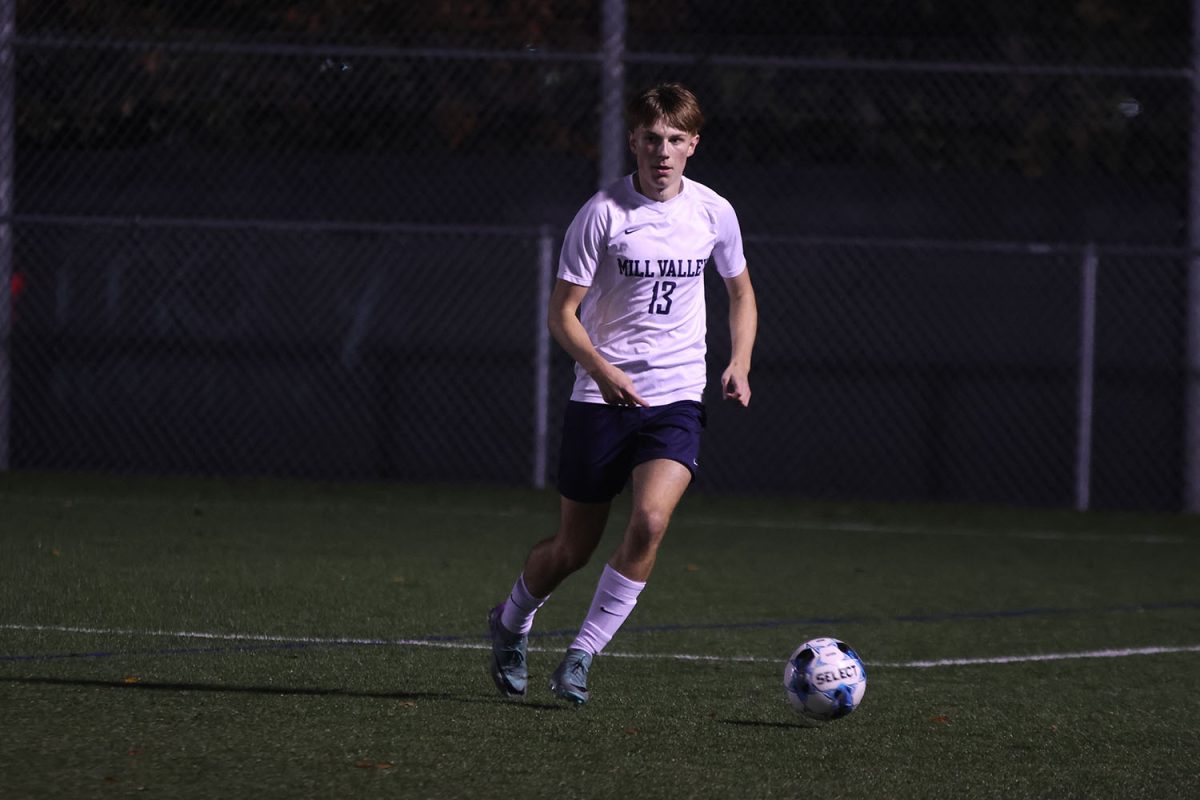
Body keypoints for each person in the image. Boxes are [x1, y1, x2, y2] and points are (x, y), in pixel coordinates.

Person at [488, 82, 757, 704]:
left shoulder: (714, 211)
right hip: (601, 401)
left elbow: (741, 293)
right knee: (571, 549)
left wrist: (739, 362)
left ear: (693, 145)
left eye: (674, 140)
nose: (662, 151)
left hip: (676, 398)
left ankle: (581, 657)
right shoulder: (603, 213)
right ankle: (510, 622)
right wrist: (605, 372)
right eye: (651, 139)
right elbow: (562, 315)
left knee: (650, 521)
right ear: (633, 140)